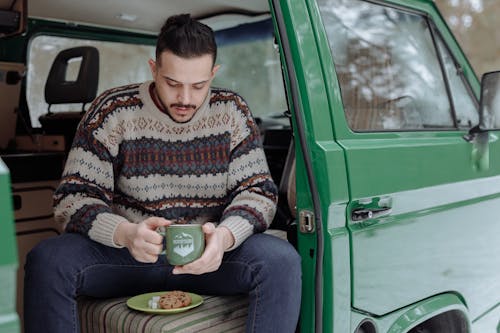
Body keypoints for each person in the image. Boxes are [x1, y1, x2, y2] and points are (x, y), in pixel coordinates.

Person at [23, 13, 301, 333]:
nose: (185, 99)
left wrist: (223, 239)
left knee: (281, 260)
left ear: (214, 73)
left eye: (198, 86)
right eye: (172, 83)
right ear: (154, 69)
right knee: (48, 260)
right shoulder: (113, 110)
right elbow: (72, 196)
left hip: (210, 258)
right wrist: (124, 233)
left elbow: (259, 193)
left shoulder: (232, 111)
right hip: (128, 255)